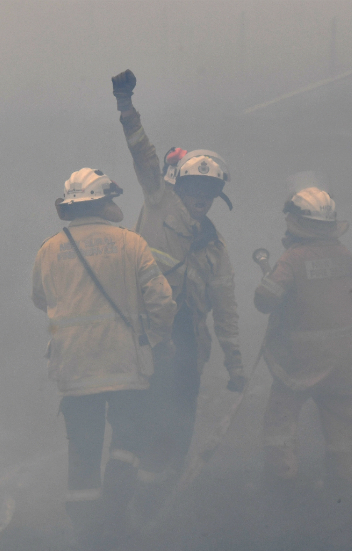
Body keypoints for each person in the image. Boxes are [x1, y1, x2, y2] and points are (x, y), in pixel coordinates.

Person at [31, 168, 176, 551]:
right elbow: (162, 302)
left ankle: (85, 536)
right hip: (124, 365)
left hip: (74, 370)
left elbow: (40, 298)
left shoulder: (49, 249)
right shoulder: (131, 244)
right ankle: (115, 516)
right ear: (102, 203)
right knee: (127, 442)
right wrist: (155, 339)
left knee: (83, 450)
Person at [111, 70, 246, 480]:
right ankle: (124, 488)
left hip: (189, 342)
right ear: (180, 187)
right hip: (144, 332)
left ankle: (161, 487)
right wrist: (126, 106)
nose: (200, 198)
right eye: (194, 189)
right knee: (141, 410)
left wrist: (236, 365)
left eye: (208, 192)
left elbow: (225, 309)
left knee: (181, 415)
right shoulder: (158, 202)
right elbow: (143, 156)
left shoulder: (215, 248)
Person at [253, 185, 352, 491]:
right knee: (341, 421)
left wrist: (271, 275)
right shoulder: (345, 255)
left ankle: (282, 480)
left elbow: (264, 301)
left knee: (281, 419)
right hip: (341, 360)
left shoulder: (293, 258)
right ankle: (343, 480)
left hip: (300, 361)